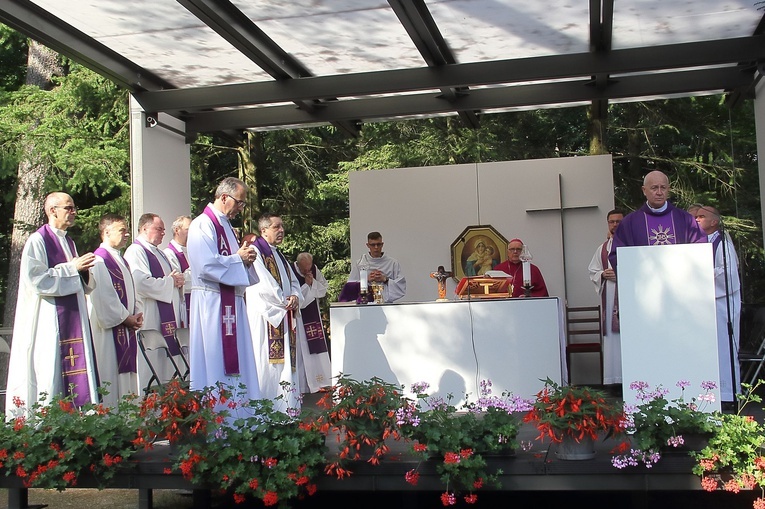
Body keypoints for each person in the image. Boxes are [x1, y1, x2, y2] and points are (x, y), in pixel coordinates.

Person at [6, 192, 99, 417]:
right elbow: (37, 280)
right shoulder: (37, 240)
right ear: (51, 210)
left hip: (72, 316)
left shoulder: (68, 241)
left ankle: (78, 422)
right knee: (51, 370)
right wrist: (73, 267)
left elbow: (78, 279)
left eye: (73, 207)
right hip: (49, 321)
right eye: (68, 208)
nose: (73, 212)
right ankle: (48, 423)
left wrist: (83, 272)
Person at [187, 176, 261, 410]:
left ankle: (240, 414)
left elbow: (231, 261)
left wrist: (246, 261)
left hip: (229, 304)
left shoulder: (226, 226)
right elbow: (205, 264)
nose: (241, 208)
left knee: (237, 360)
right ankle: (218, 416)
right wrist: (238, 259)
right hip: (212, 303)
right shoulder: (203, 224)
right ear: (223, 197)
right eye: (239, 202)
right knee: (215, 361)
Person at [245, 214, 305, 410]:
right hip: (267, 317)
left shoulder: (278, 254)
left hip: (283, 315)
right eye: (276, 227)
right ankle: (267, 410)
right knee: (268, 365)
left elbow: (294, 281)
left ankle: (287, 410)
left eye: (282, 227)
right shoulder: (256, 252)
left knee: (285, 365)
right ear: (264, 230)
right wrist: (285, 300)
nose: (281, 230)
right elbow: (263, 285)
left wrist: (295, 296)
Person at [124, 213, 185, 390]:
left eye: (164, 230)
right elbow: (140, 282)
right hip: (150, 315)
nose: (163, 233)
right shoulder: (136, 251)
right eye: (159, 229)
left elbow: (171, 280)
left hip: (165, 316)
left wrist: (177, 281)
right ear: (144, 228)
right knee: (151, 361)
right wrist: (170, 282)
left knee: (165, 363)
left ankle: (168, 406)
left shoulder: (159, 253)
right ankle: (149, 406)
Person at [88, 213, 144, 408]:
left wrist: (137, 313)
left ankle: (129, 422)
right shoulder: (99, 260)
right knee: (110, 375)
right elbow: (103, 297)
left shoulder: (121, 260)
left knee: (127, 379)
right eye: (122, 230)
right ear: (106, 232)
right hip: (110, 332)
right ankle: (112, 422)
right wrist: (125, 318)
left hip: (126, 326)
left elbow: (132, 290)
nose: (127, 234)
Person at [609, 170, 706, 269]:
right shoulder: (629, 222)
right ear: (644, 190)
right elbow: (617, 256)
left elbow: (701, 249)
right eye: (654, 188)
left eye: (663, 188)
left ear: (668, 189)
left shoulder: (685, 219)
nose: (659, 192)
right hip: (643, 282)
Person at [695, 205, 741, 407]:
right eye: (695, 216)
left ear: (714, 221)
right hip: (708, 305)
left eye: (701, 216)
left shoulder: (722, 243)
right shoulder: (701, 242)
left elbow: (728, 273)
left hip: (723, 304)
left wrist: (701, 276)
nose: (697, 219)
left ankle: (728, 393)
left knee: (723, 347)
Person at [588, 209, 625, 387]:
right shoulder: (602, 249)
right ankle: (615, 381)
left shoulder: (631, 244)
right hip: (610, 299)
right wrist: (603, 274)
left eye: (618, 221)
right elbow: (592, 271)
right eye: (612, 222)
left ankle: (632, 380)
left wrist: (622, 275)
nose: (615, 225)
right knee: (612, 340)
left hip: (627, 299)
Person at [292, 252, 332, 393]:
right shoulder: (290, 270)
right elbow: (294, 295)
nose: (308, 272)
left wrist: (312, 283)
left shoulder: (314, 269)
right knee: (302, 349)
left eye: (309, 268)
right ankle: (303, 385)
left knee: (316, 348)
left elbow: (323, 288)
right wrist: (307, 285)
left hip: (313, 314)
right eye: (304, 270)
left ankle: (320, 380)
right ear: (298, 265)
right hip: (299, 316)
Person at [346, 232, 407, 302]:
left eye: (378, 244)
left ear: (382, 244)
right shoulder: (360, 263)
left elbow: (401, 285)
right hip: (365, 304)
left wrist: (385, 279)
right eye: (373, 245)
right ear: (368, 245)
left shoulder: (392, 263)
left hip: (386, 304)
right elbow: (350, 287)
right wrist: (366, 279)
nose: (376, 247)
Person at [163, 215, 192, 328]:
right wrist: (198, 268)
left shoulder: (191, 250)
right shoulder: (169, 253)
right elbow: (180, 280)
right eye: (188, 229)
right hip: (184, 303)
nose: (191, 233)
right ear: (177, 230)